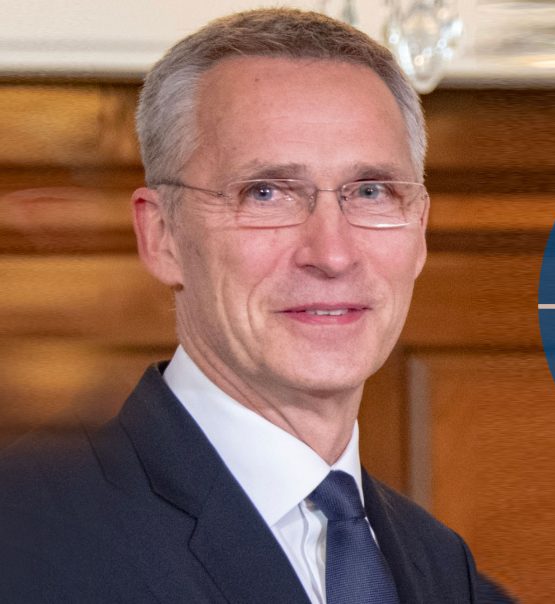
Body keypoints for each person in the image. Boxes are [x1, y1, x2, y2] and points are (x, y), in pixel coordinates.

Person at [0, 8, 512, 603]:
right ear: (162, 236)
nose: (332, 254)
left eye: (372, 191)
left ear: (418, 231)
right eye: (266, 193)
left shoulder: (443, 568)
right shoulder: (24, 534)